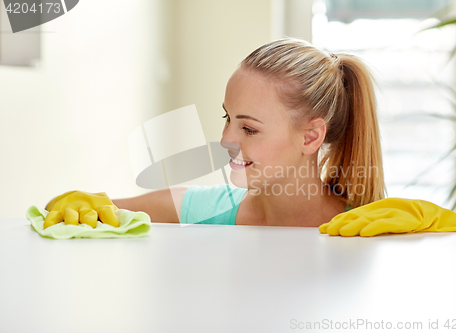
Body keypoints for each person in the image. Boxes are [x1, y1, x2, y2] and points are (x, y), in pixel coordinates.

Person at [110, 38, 386, 227]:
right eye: (227, 118)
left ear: (310, 137)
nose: (226, 140)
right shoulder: (212, 211)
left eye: (249, 129)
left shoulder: (364, 229)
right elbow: (101, 209)